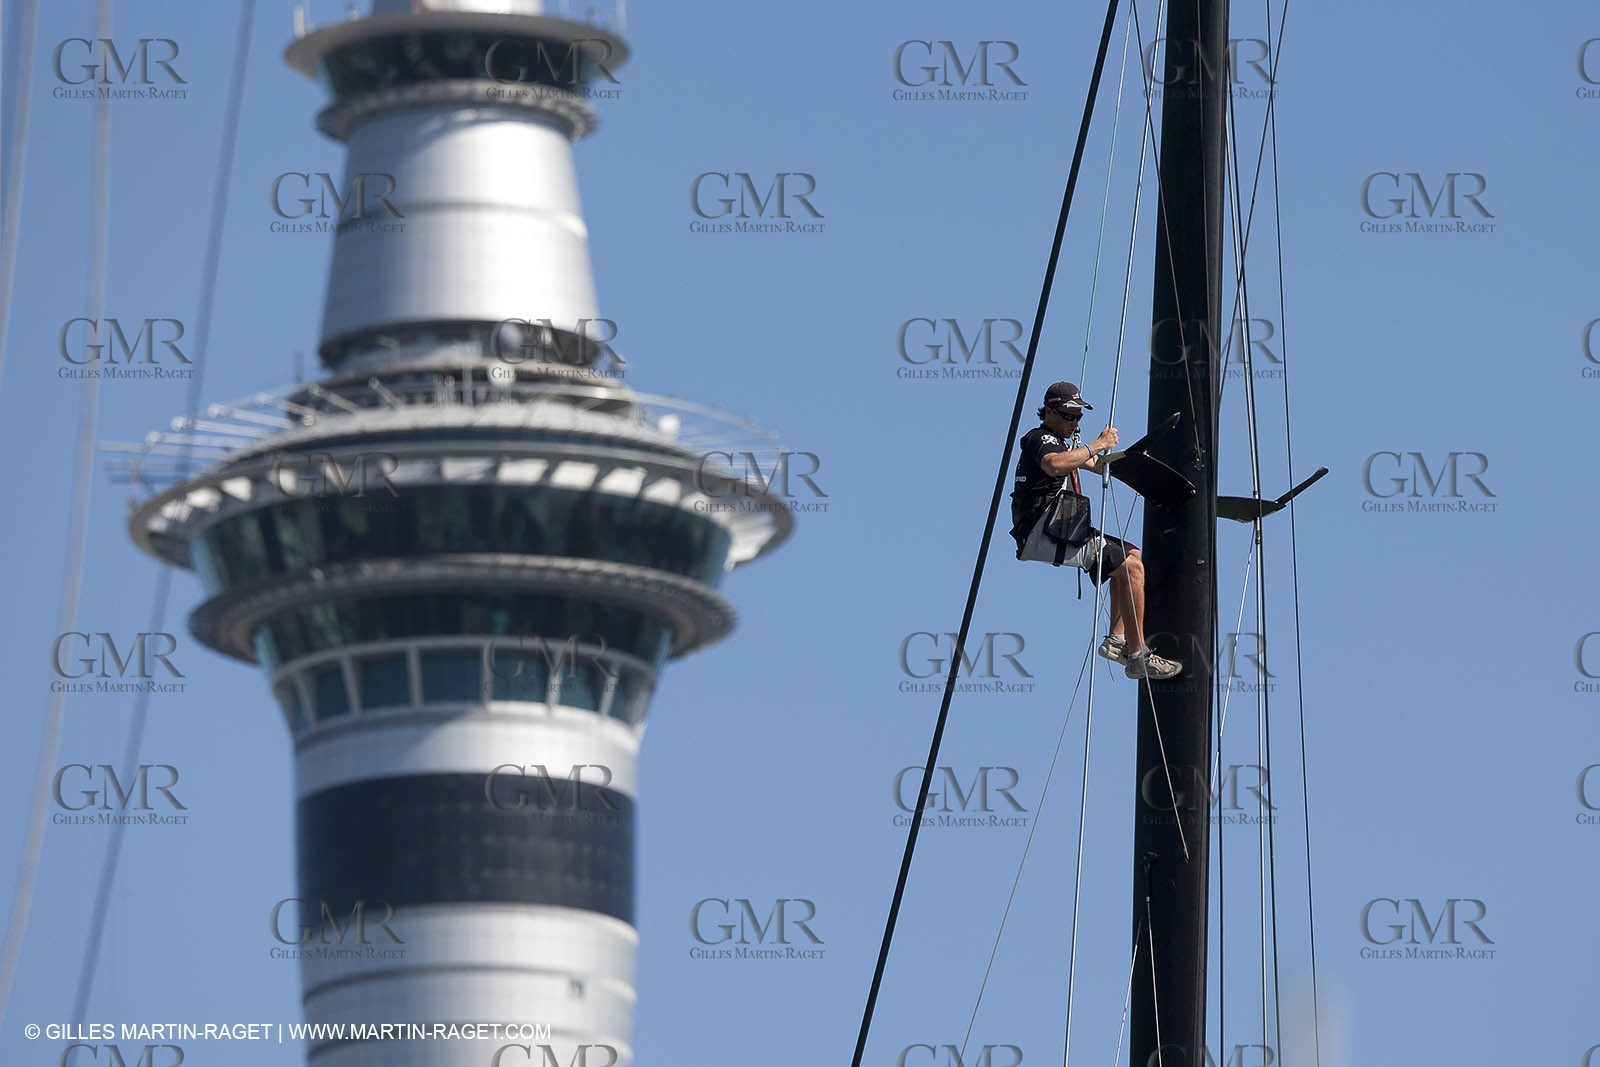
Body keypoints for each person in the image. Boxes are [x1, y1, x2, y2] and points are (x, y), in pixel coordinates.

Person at [1010, 381, 1182, 681]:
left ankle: (1116, 640)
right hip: (1043, 532)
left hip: (1057, 528)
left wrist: (1133, 466)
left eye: (1078, 417)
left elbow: (1093, 463)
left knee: (1130, 554)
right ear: (1049, 412)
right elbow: (1055, 465)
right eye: (1068, 416)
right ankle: (1139, 655)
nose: (1073, 423)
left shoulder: (1063, 444)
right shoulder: (1041, 439)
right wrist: (1098, 444)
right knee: (1133, 570)